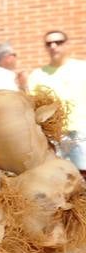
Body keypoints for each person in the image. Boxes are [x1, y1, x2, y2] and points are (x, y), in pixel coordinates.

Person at [27, 29, 86, 172]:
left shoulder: (82, 68)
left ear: (67, 44)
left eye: (58, 42)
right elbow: (32, 106)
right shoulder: (37, 75)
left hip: (81, 132)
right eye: (49, 43)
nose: (53, 46)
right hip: (53, 136)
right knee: (60, 178)